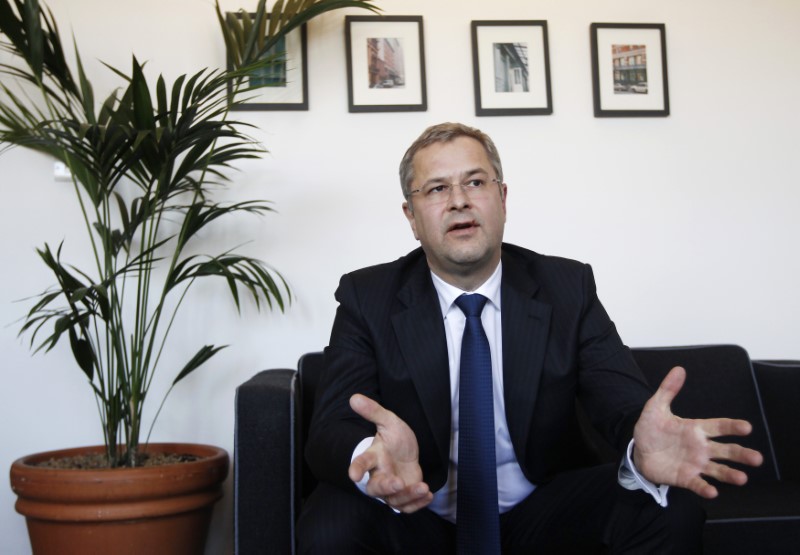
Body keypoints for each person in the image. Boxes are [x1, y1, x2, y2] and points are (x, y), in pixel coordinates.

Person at [298, 122, 763, 554]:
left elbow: (620, 402)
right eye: (437, 188)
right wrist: (371, 460)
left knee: (669, 507)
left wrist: (641, 450)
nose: (459, 200)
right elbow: (330, 429)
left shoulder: (566, 287)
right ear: (412, 217)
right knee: (330, 519)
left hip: (542, 513)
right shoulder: (368, 296)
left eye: (475, 182)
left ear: (502, 198)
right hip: (418, 512)